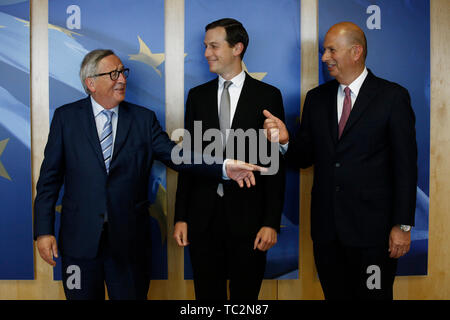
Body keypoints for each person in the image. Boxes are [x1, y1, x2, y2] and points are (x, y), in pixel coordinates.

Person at [34, 49, 263, 300]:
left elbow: (178, 156)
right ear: (91, 83)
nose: (122, 79)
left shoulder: (143, 120)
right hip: (79, 244)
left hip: (129, 244)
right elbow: (49, 181)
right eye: (113, 74)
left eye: (123, 72)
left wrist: (224, 166)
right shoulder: (66, 118)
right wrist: (44, 231)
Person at [263, 22, 417, 300]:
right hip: (328, 234)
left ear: (356, 52)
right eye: (324, 50)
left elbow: (405, 166)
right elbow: (304, 158)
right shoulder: (316, 99)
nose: (324, 57)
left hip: (375, 236)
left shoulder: (392, 97)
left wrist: (402, 226)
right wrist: (285, 141)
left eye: (331, 50)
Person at [173, 18, 286, 300]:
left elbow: (274, 164)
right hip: (202, 220)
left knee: (245, 299)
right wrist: (181, 216)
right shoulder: (196, 97)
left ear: (237, 48)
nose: (206, 53)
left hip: (250, 221)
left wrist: (271, 222)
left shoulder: (268, 96)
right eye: (205, 46)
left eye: (213, 46)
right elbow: (189, 161)